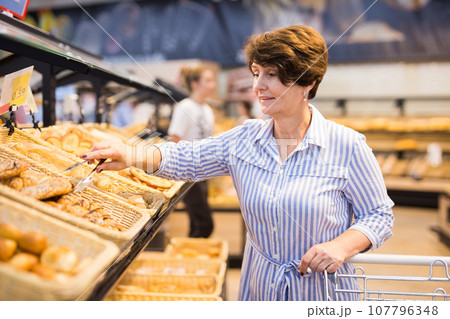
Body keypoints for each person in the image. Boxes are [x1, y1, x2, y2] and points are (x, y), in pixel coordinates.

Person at [83, 25, 394, 301]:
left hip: (322, 294)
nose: (257, 86)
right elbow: (187, 157)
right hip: (261, 288)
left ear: (308, 81)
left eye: (271, 75)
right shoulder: (245, 139)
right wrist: (131, 153)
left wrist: (341, 246)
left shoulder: (347, 146)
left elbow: (379, 215)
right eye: (256, 73)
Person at [167, 66, 216, 238]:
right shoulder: (185, 107)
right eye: (208, 80)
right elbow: (174, 138)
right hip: (188, 170)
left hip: (203, 170)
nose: (213, 85)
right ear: (195, 84)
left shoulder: (207, 110)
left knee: (197, 222)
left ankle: (192, 258)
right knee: (204, 223)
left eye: (213, 80)